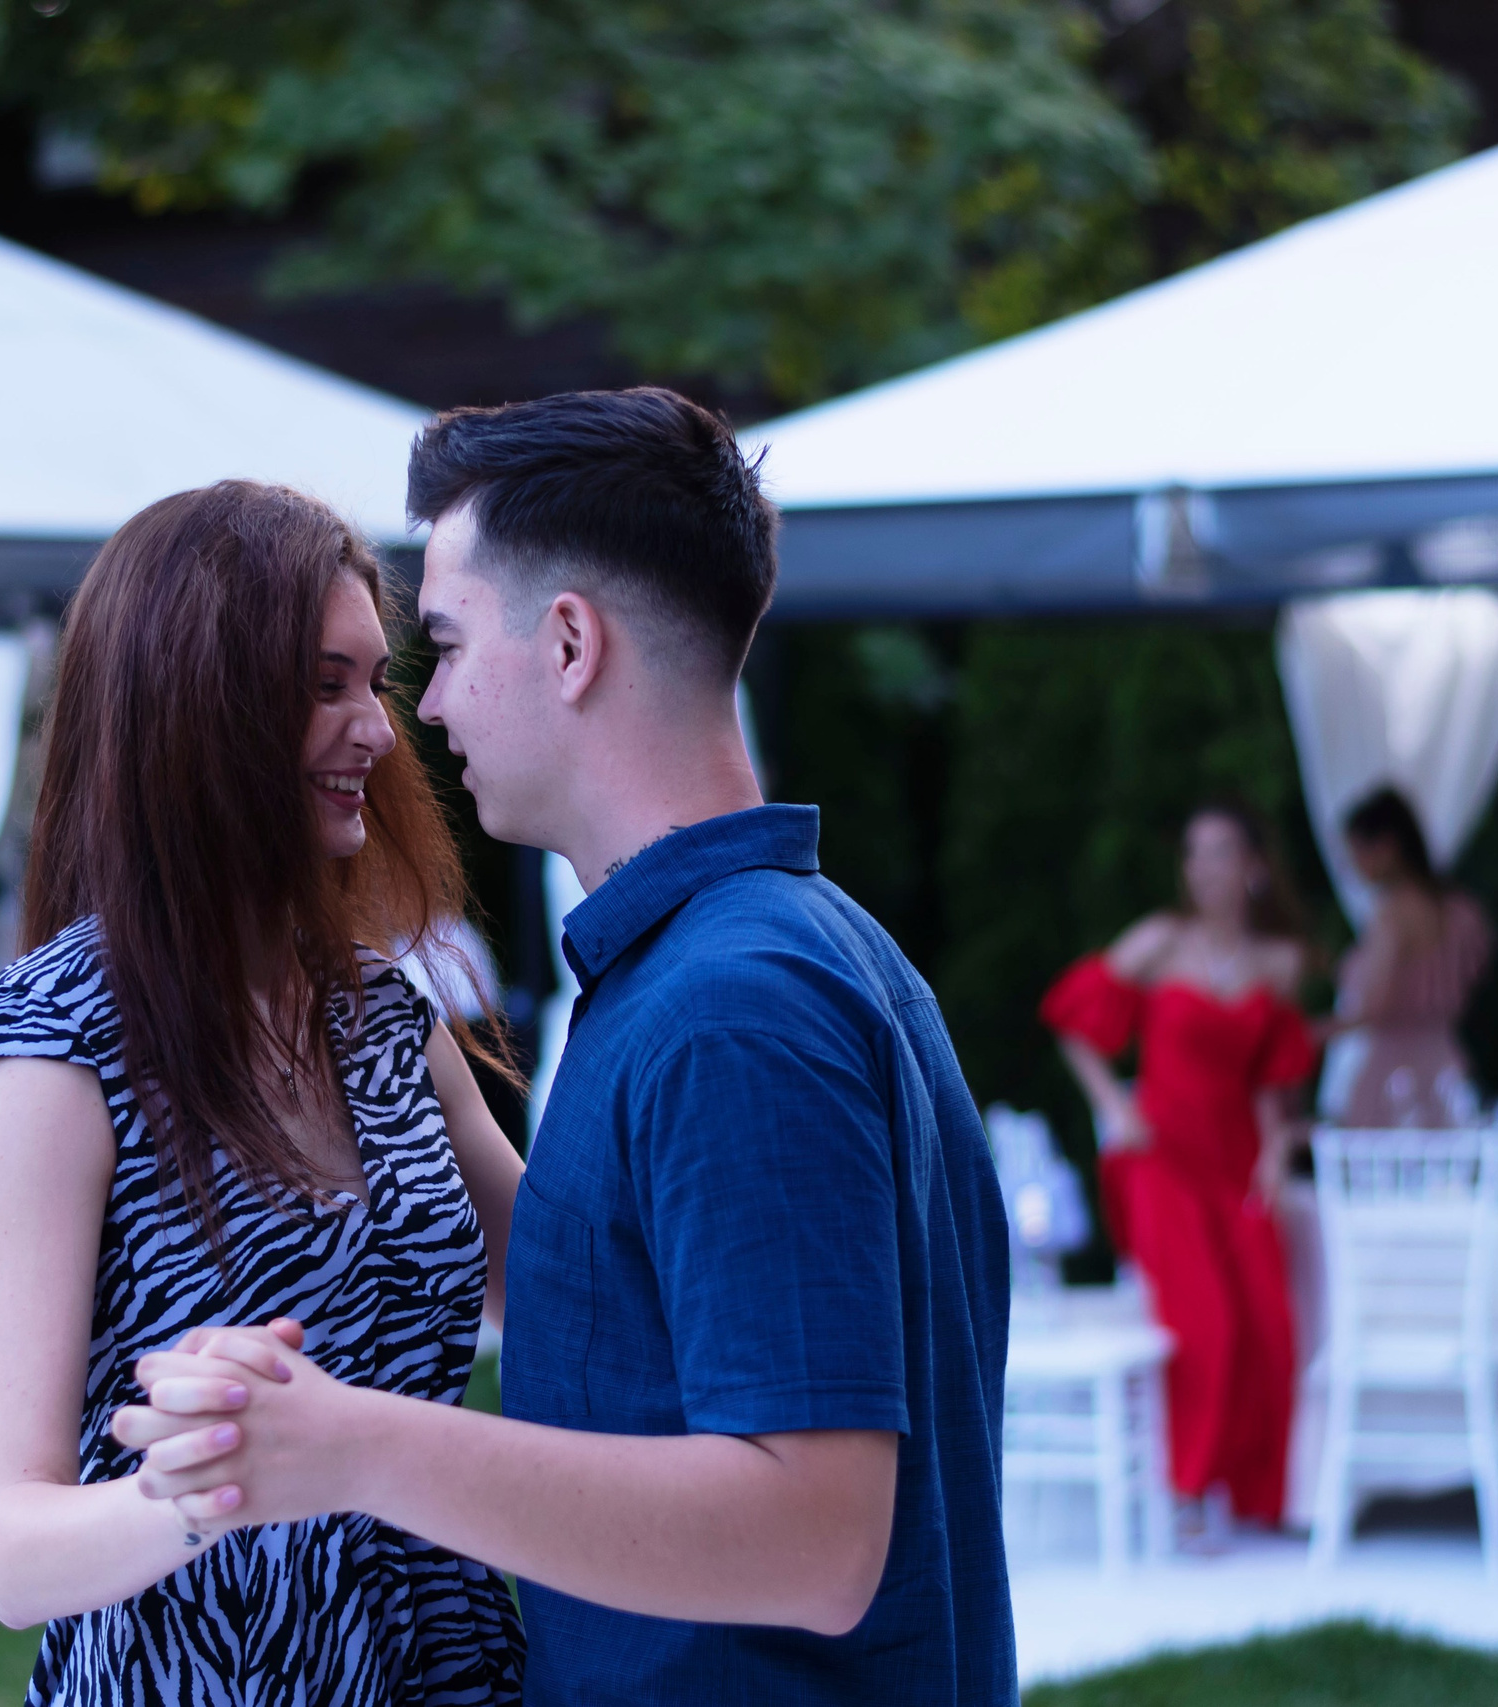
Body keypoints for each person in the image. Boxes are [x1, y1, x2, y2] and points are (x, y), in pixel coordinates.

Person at [111, 389, 1014, 1707]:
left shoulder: (734, 1009)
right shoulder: (756, 957)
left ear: (571, 642)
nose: (424, 711)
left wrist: (355, 1445)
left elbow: (814, 1533)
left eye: (449, 643)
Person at [0, 482, 528, 1704]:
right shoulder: (52, 1058)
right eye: (323, 685)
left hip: (444, 1672)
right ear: (195, 708)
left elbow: (576, 1290)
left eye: (375, 682)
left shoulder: (385, 1018)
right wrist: (196, 1488)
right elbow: (11, 1552)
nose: (375, 729)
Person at [1043, 802, 1315, 1537]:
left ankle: (1254, 1494)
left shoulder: (1279, 961)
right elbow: (1072, 1018)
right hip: (1161, 1161)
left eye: (1221, 852)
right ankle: (1187, 1491)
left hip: (1235, 1162)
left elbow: (1272, 1081)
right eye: (1194, 852)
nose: (1204, 867)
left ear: (1255, 866)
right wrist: (1115, 1105)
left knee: (1270, 1319)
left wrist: (1277, 1152)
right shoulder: (1161, 942)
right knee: (1208, 1323)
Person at [1324, 787, 1490, 1128]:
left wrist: (1311, 1033)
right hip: (1446, 1061)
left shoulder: (1392, 914)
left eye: (1357, 851)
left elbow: (1375, 1006)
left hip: (1395, 1074)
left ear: (1387, 847)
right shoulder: (1458, 910)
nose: (1352, 864)